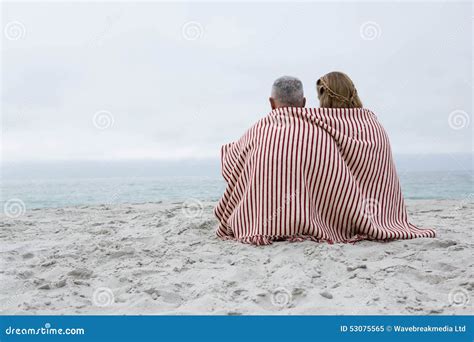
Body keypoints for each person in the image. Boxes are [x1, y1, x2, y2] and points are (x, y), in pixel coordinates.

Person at [214, 73, 435, 245]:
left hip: (258, 224)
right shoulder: (354, 126)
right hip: (377, 214)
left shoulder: (265, 128)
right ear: (304, 103)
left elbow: (234, 161)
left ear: (271, 103)